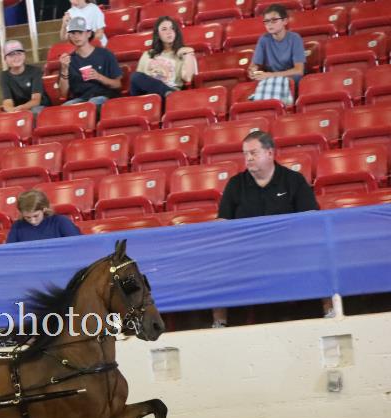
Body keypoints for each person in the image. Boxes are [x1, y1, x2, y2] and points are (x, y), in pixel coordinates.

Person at [214, 130, 320, 327]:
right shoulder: (235, 184)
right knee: (217, 262)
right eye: (245, 154)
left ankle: (330, 311)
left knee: (320, 253)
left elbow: (311, 218)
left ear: (270, 153)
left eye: (253, 153)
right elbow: (223, 222)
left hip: (289, 250)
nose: (248, 158)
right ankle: (220, 323)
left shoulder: (293, 180)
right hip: (246, 254)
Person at [58, 16, 122, 109]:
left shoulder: (105, 54)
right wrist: (64, 69)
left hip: (104, 96)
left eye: (80, 32)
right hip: (80, 99)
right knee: (65, 108)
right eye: (73, 33)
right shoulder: (68, 60)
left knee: (93, 103)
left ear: (88, 33)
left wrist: (98, 77)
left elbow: (117, 84)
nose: (76, 36)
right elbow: (63, 93)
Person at [247, 4, 305, 105]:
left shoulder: (295, 38)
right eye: (266, 21)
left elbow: (299, 70)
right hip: (271, 81)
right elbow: (254, 64)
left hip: (290, 81)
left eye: (274, 20)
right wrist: (253, 70)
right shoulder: (263, 40)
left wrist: (270, 75)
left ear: (285, 21)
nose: (269, 24)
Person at [130, 16, 197, 98]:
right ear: (158, 34)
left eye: (172, 28)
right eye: (164, 29)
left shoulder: (184, 53)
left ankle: (167, 93)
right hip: (149, 95)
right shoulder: (148, 54)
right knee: (135, 76)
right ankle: (165, 92)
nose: (169, 32)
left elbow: (188, 78)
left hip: (171, 93)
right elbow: (138, 80)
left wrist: (189, 53)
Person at [6, 189, 82, 243]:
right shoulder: (17, 226)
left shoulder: (61, 222)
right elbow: (10, 253)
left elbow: (78, 244)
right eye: (27, 217)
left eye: (36, 216)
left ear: (44, 209)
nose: (32, 221)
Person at [0, 40, 49, 118]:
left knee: (34, 113)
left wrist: (19, 109)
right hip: (19, 110)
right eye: (11, 55)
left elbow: (36, 100)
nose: (16, 57)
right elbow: (7, 101)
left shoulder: (35, 71)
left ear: (24, 55)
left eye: (19, 53)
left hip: (39, 107)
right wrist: (11, 110)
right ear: (5, 59)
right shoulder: (4, 76)